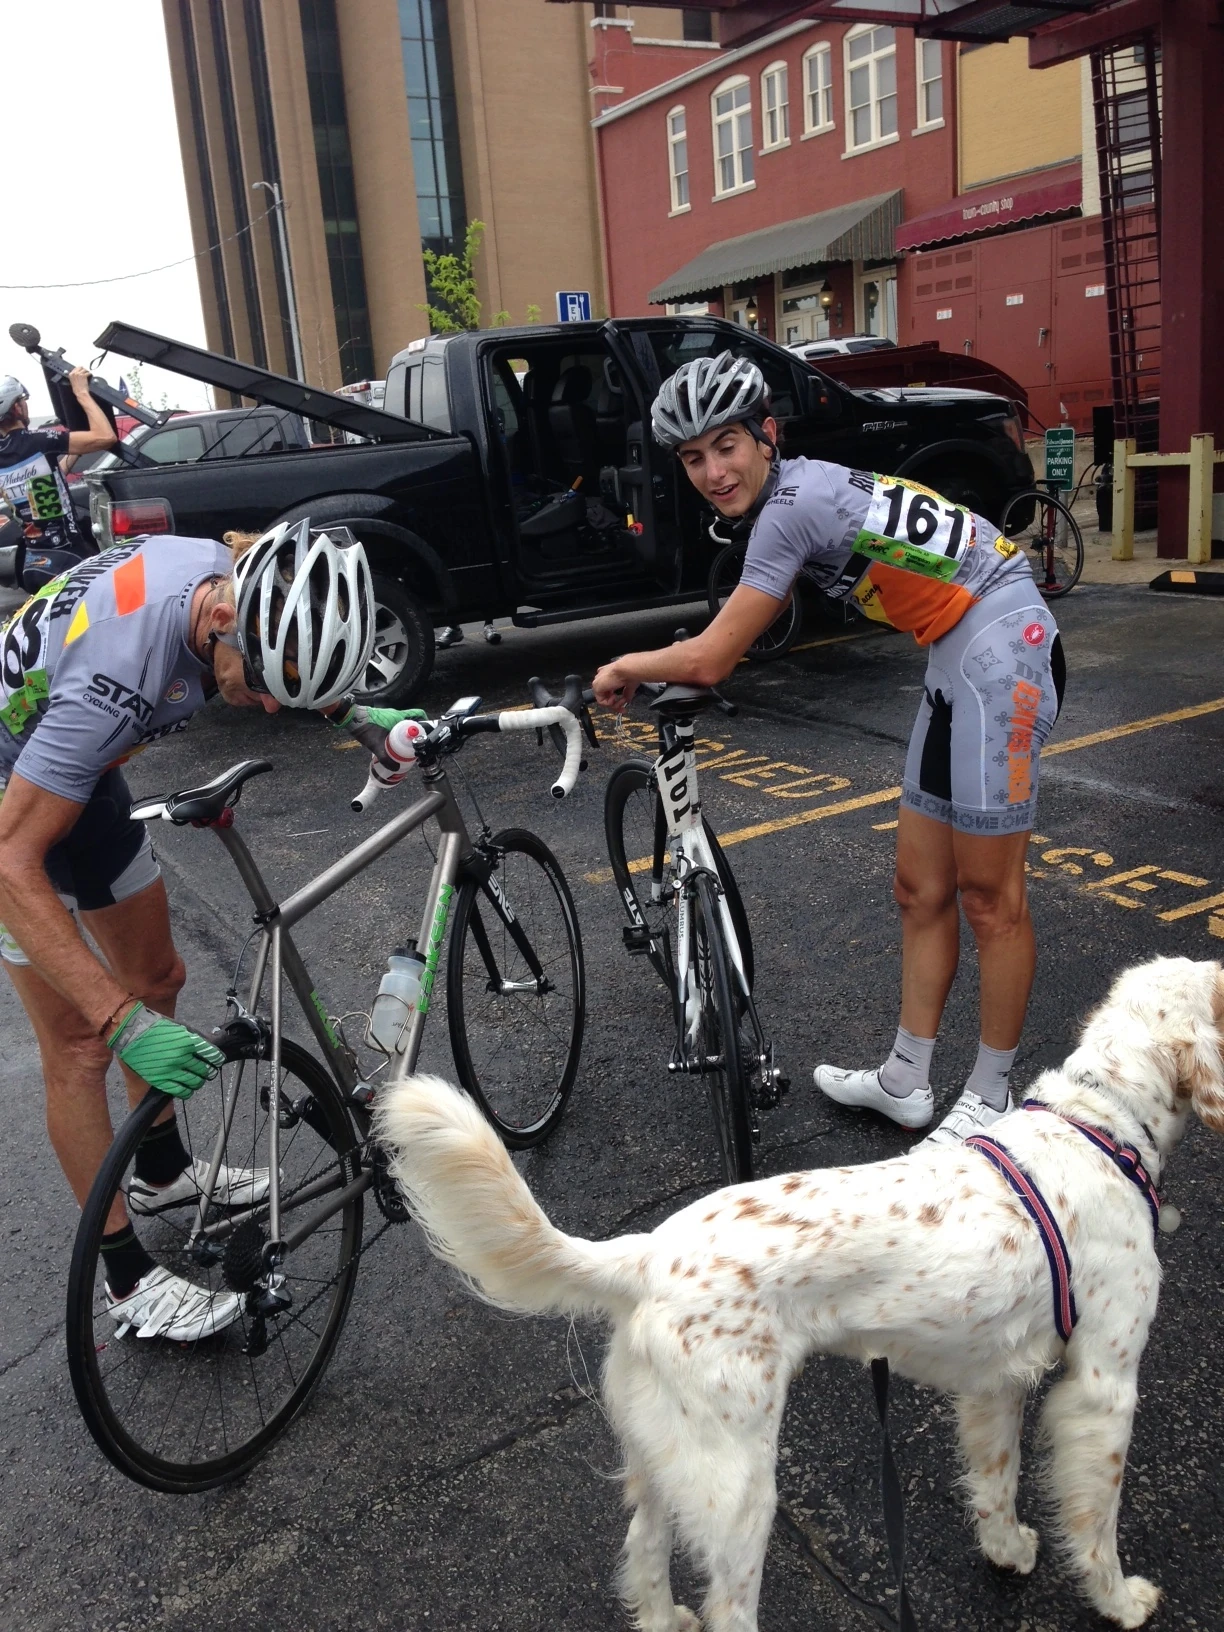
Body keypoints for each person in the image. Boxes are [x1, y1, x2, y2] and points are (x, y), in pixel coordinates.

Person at [592, 351, 1064, 1146]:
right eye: (693, 457)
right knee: (919, 887)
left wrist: (626, 666)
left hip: (1004, 643)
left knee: (990, 898)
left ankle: (993, 1097)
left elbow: (713, 658)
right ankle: (906, 1079)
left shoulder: (791, 508)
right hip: (958, 651)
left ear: (767, 436)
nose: (713, 471)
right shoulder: (799, 485)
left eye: (727, 446)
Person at [0, 518, 418, 1340]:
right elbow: (10, 862)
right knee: (84, 1042)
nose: (267, 705)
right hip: (12, 797)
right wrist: (116, 1021)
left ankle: (159, 1173)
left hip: (84, 771)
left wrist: (358, 715)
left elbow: (283, 642)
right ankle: (126, 1279)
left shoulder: (233, 579)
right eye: (262, 685)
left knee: (159, 982)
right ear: (224, 621)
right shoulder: (120, 673)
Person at [0, 367, 115, 580]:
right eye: (23, 400)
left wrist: (76, 453)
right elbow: (106, 436)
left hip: (34, 561)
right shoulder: (39, 441)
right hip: (67, 555)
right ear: (16, 407)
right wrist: (81, 392)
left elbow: (48, 478)